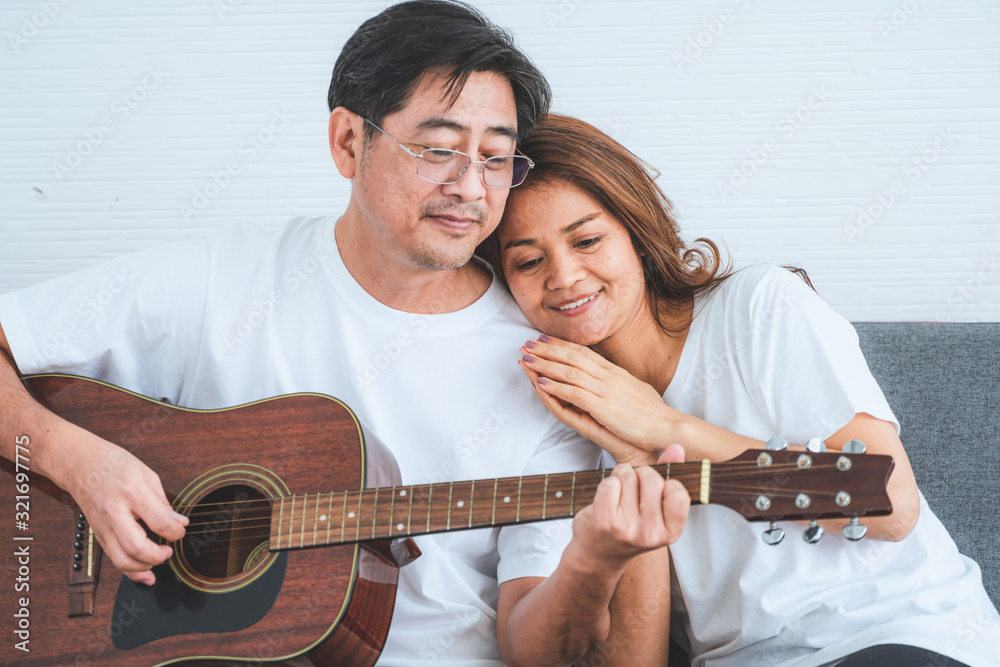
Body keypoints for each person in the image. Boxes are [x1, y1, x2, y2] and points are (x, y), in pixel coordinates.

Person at [0, 3, 690, 665]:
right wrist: (79, 462)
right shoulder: (223, 277)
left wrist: (596, 563)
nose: (471, 186)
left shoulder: (547, 371)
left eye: (496, 157)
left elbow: (530, 641)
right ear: (348, 142)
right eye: (440, 148)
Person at [478, 113, 1000, 667]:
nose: (563, 276)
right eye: (529, 261)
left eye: (586, 239)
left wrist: (665, 426)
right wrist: (638, 460)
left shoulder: (757, 308)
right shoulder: (558, 420)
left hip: (893, 635)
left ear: (637, 233)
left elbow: (891, 504)